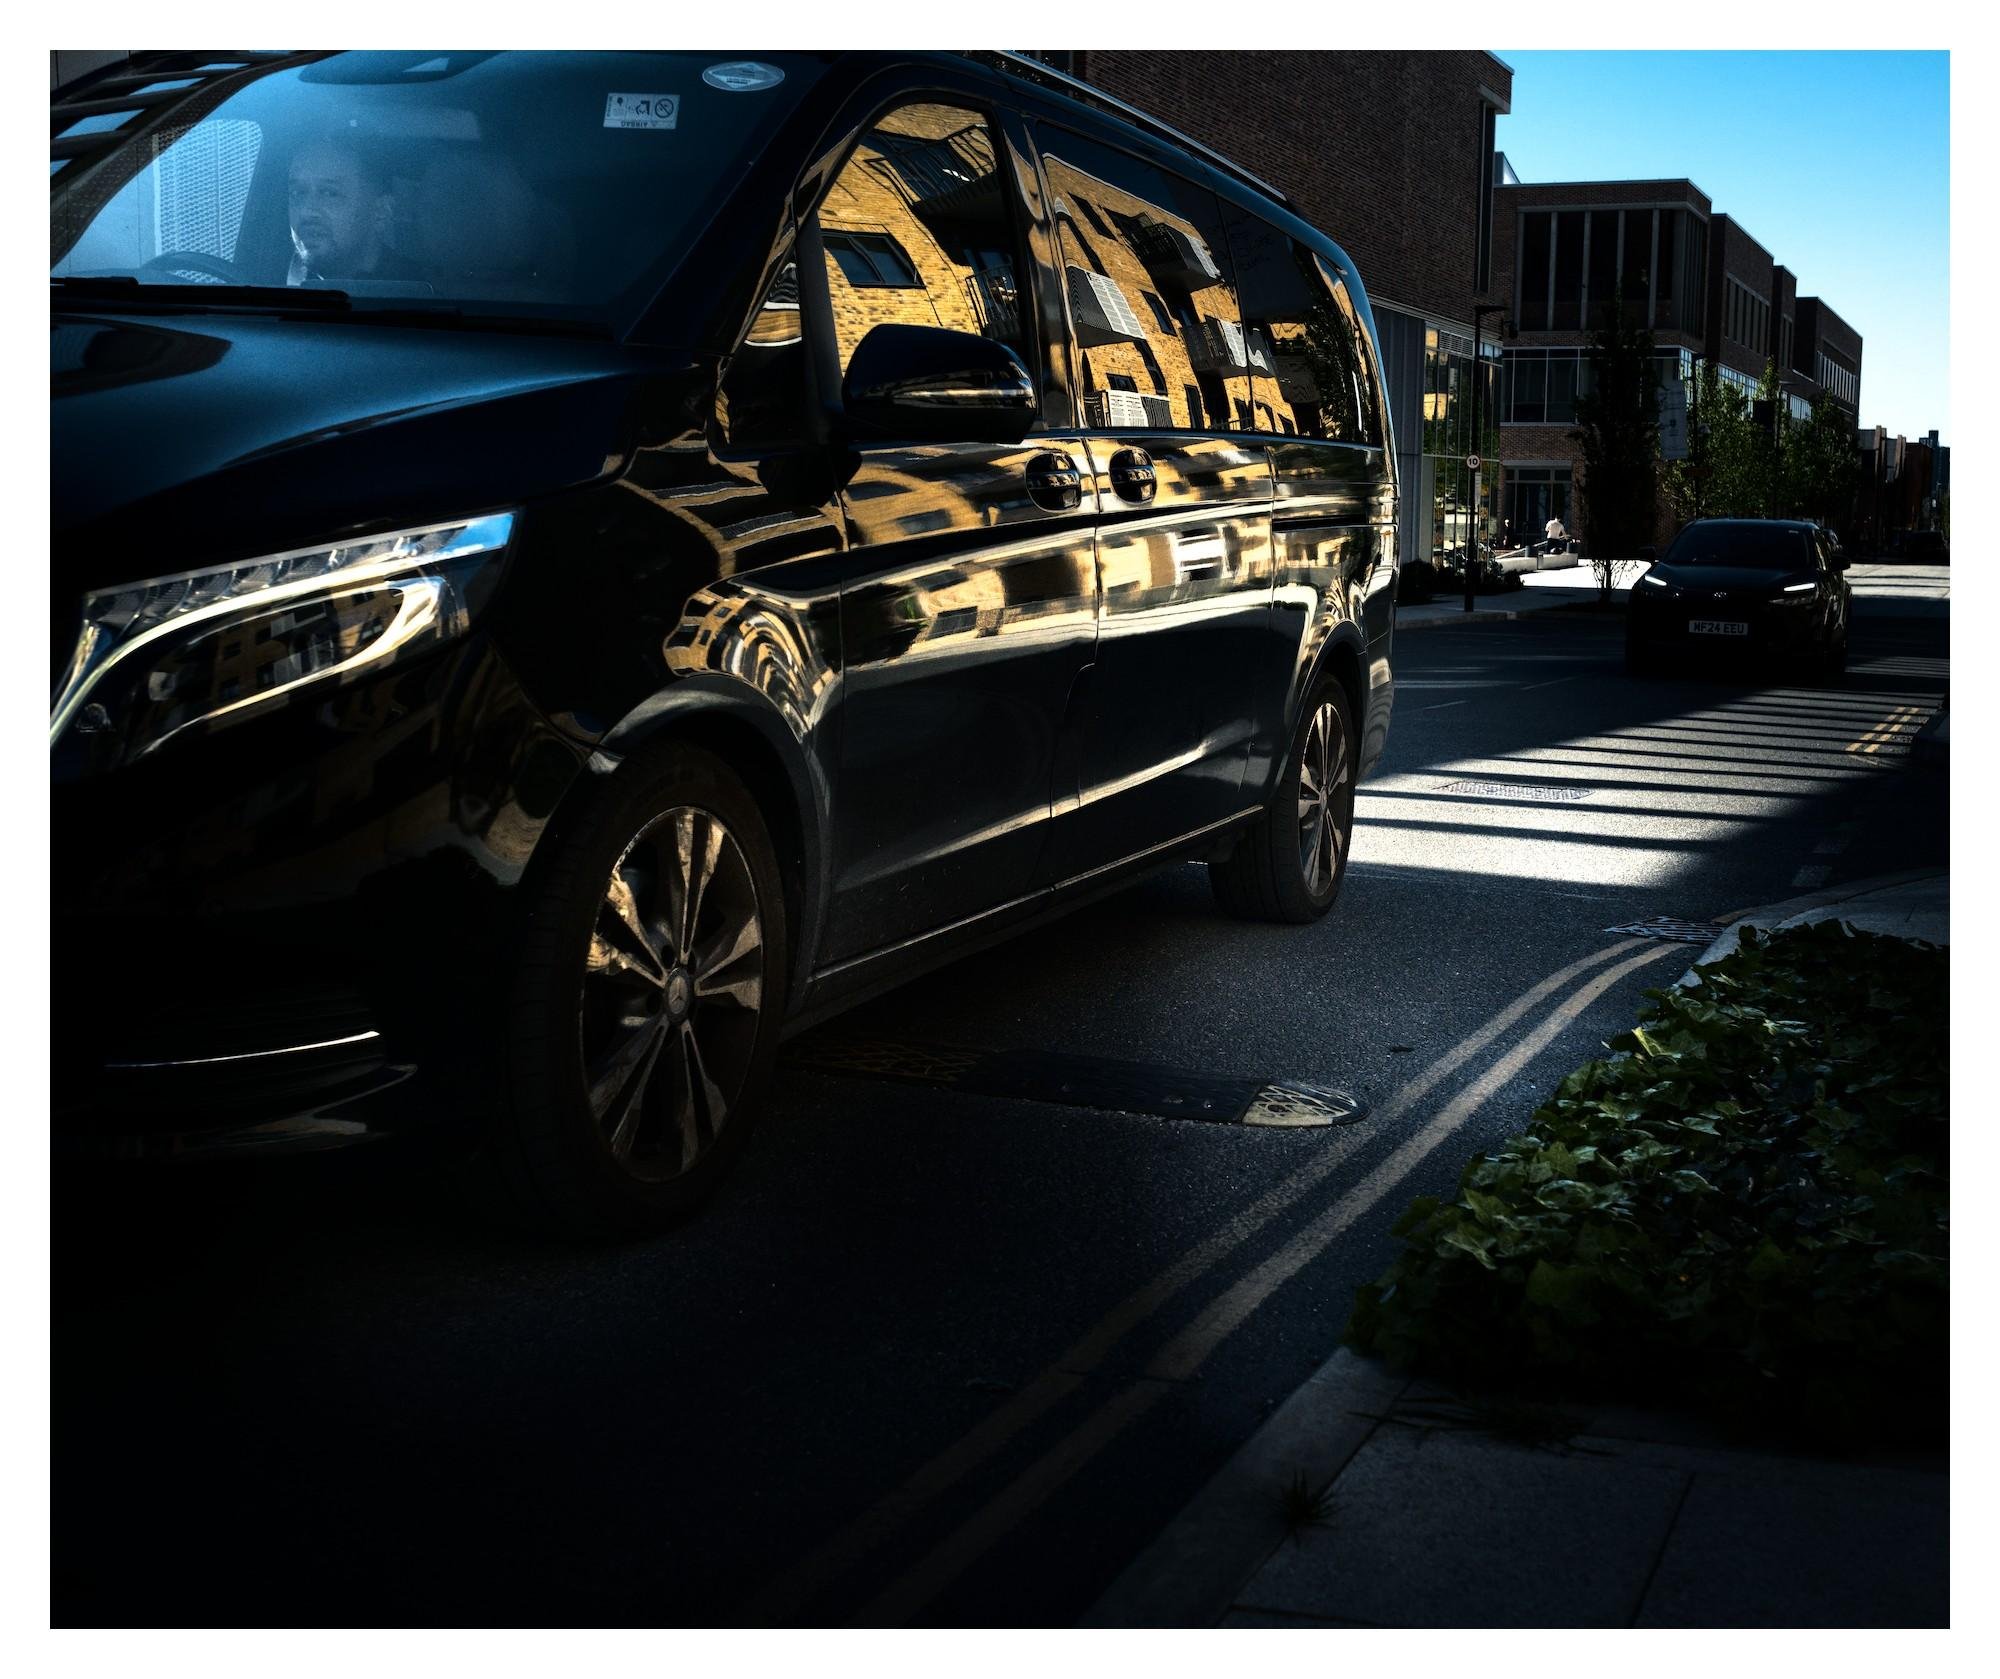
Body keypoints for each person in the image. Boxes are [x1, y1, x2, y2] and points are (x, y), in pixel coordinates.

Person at [287, 136, 416, 285]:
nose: (306, 211)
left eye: (330, 193)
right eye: (298, 193)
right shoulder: (275, 290)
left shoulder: (420, 297)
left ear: (381, 212)